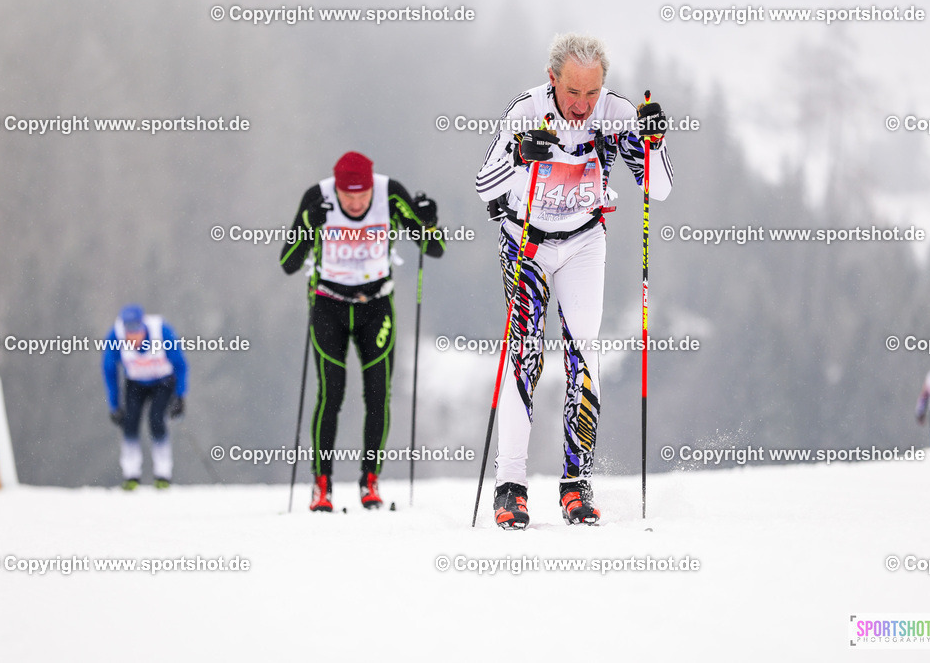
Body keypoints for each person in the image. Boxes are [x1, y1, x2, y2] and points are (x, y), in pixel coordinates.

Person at [475, 33, 674, 529]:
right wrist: (521, 155)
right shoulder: (526, 111)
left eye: (592, 92)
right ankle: (511, 486)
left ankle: (575, 484)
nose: (582, 106)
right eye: (572, 93)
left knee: (584, 354)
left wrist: (655, 141)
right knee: (525, 355)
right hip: (526, 242)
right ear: (552, 80)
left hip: (584, 242)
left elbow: (659, 188)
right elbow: (484, 185)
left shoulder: (617, 114)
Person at [280, 151, 445, 512]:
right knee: (331, 394)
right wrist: (310, 223)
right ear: (336, 190)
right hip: (328, 304)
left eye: (362, 196)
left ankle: (370, 481)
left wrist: (429, 221)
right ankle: (321, 485)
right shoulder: (317, 197)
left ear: (372, 188)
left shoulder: (390, 194)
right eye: (348, 197)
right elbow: (288, 263)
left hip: (376, 305)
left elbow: (434, 250)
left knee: (377, 395)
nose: (356, 204)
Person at [102, 304, 188, 489]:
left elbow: (180, 365)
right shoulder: (115, 336)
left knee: (156, 419)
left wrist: (180, 397)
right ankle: (131, 475)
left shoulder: (161, 331)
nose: (133, 338)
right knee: (130, 422)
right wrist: (114, 405)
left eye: (136, 331)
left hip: (163, 382)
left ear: (143, 326)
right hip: (135, 383)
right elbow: (110, 371)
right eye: (129, 333)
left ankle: (163, 474)